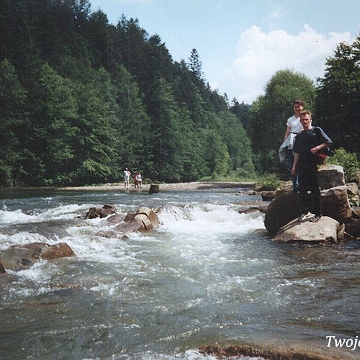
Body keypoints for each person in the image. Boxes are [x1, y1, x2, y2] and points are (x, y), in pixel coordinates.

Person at [291, 110, 332, 223]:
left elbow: (328, 142)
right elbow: (297, 153)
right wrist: (294, 167)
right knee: (302, 189)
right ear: (300, 121)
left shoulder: (316, 130)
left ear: (310, 120)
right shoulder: (299, 135)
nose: (304, 121)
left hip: (313, 163)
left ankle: (318, 213)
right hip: (301, 165)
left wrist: (317, 148)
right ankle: (304, 212)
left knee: (314, 188)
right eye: (302, 120)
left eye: (306, 119)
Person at [282, 99, 304, 191]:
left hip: (302, 140)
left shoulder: (305, 117)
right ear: (293, 108)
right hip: (292, 142)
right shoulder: (290, 119)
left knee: (301, 163)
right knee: (292, 164)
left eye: (299, 106)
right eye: (295, 107)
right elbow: (287, 132)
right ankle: (295, 185)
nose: (297, 108)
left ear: (302, 107)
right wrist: (284, 143)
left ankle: (302, 184)